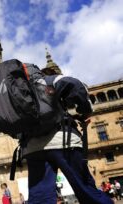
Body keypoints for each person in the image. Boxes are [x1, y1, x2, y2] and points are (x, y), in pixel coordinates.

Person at [21, 69, 113, 204]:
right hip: (63, 142)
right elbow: (75, 85)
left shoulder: (21, 91)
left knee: (40, 198)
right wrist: (85, 112)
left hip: (32, 149)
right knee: (86, 189)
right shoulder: (48, 81)